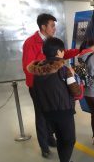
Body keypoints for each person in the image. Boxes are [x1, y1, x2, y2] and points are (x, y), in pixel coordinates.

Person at [22, 13, 80, 158]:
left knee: (51, 114)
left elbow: (60, 55)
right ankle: (44, 146)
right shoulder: (31, 43)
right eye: (52, 26)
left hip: (54, 84)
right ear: (43, 27)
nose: (54, 28)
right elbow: (28, 67)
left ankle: (51, 138)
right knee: (41, 115)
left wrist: (79, 51)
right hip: (39, 86)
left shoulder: (50, 42)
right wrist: (44, 81)